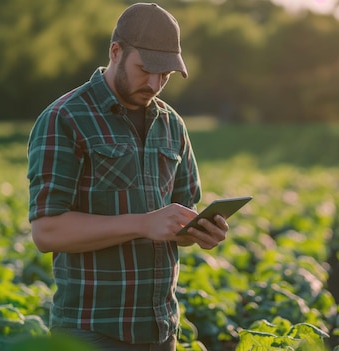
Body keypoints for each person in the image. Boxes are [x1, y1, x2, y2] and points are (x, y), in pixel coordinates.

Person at [26, 3, 229, 350]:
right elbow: (47, 231)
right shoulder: (65, 117)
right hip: (90, 333)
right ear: (115, 52)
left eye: (164, 75)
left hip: (161, 330)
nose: (154, 83)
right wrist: (141, 224)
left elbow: (177, 219)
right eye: (145, 69)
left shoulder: (172, 124)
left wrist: (198, 231)